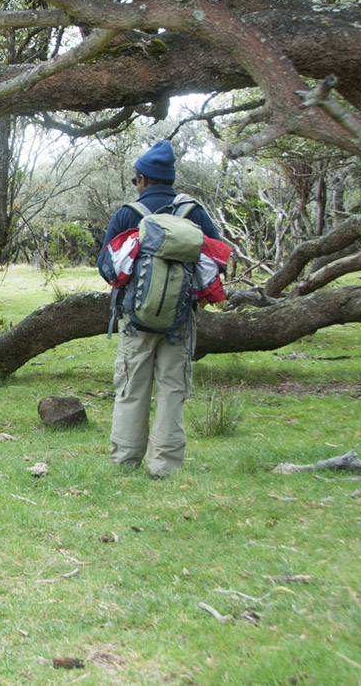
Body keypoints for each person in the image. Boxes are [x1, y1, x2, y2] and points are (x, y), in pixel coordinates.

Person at [100, 141, 223, 478]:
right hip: (180, 323)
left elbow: (107, 268)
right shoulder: (193, 214)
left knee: (130, 389)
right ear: (170, 179)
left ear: (142, 179)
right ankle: (164, 466)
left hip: (135, 323)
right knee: (172, 390)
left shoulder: (129, 214)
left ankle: (125, 460)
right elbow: (216, 265)